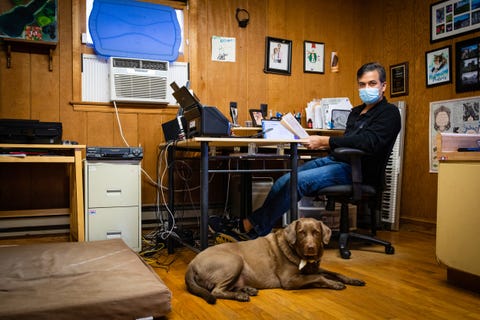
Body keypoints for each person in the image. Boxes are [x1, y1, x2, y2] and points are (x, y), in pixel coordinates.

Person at [213, 62, 401, 240]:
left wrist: (325, 141)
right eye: (362, 84)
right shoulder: (356, 112)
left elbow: (367, 142)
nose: (366, 88)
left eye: (372, 83)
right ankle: (256, 229)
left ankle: (248, 226)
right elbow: (348, 141)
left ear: (383, 86)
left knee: (298, 182)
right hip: (337, 161)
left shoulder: (390, 113)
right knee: (284, 179)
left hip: (359, 171)